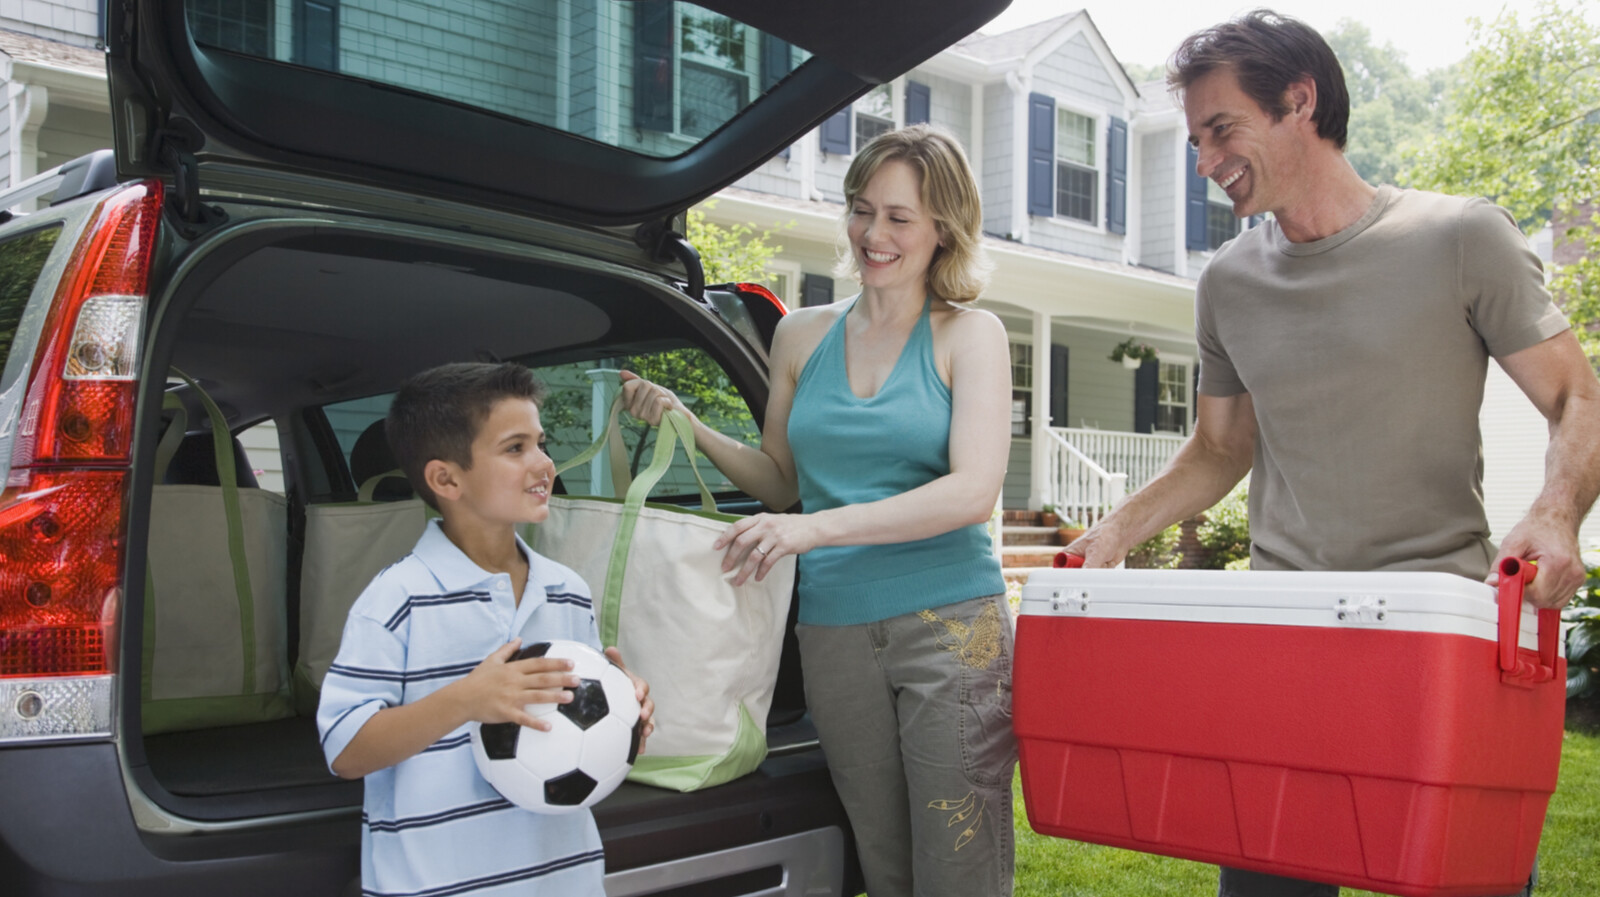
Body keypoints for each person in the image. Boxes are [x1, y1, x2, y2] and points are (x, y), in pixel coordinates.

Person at [1065, 10, 1600, 897]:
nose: (1204, 160)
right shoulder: (1228, 281)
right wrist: (1116, 530)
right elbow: (1220, 447)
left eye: (1221, 129)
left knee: (1466, 878)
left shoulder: (1459, 237)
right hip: (1285, 637)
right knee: (1271, 882)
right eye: (1196, 137)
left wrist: (1555, 510)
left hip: (1435, 630)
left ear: (1300, 101)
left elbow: (1576, 393)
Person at [621, 124, 1015, 896]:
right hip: (834, 632)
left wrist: (816, 529)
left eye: (899, 217)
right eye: (861, 209)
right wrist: (686, 423)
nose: (874, 234)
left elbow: (974, 490)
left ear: (943, 227)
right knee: (884, 859)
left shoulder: (972, 335)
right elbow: (780, 482)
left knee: (958, 864)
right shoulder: (802, 335)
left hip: (950, 627)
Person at [317, 362, 654, 897]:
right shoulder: (397, 600)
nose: (544, 463)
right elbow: (346, 750)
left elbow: (580, 716)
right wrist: (468, 700)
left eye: (541, 443)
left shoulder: (567, 590)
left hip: (565, 882)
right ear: (446, 479)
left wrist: (623, 708)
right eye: (515, 448)